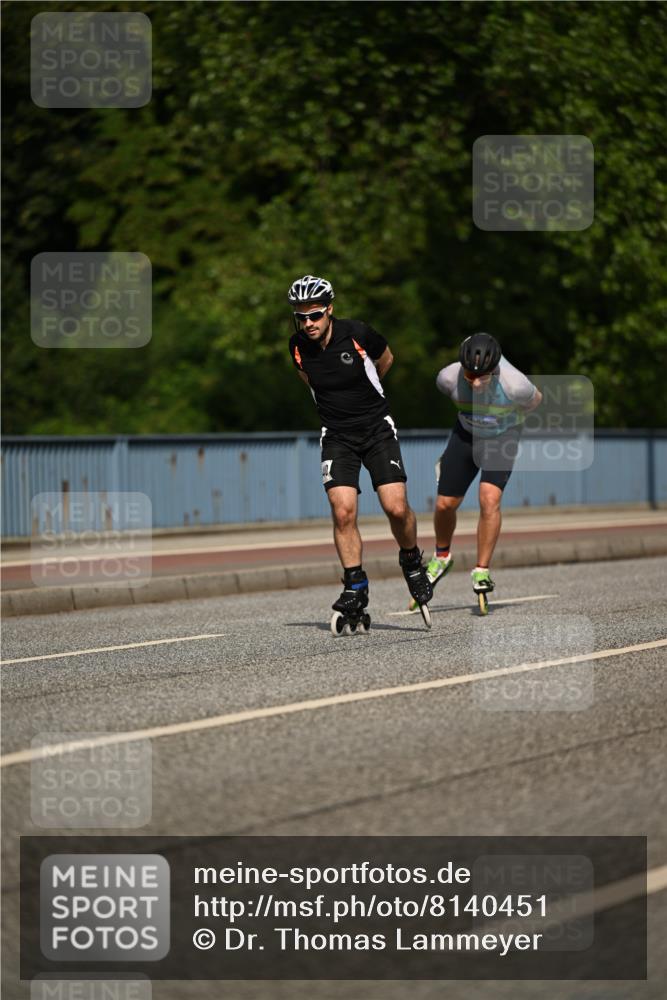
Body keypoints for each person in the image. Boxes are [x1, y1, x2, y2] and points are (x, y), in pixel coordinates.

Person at [287, 274, 433, 628]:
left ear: (330, 310)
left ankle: (412, 560)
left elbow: (386, 361)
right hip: (336, 435)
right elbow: (312, 383)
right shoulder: (297, 347)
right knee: (343, 511)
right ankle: (355, 584)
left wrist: (367, 401)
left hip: (376, 429)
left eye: (315, 315)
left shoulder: (358, 334)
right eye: (301, 317)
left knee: (395, 507)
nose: (308, 323)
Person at [427, 332, 542, 604]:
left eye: (483, 377)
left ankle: (481, 570)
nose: (476, 383)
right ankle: (441, 557)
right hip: (466, 434)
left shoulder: (516, 385)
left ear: (496, 370)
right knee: (445, 504)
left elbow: (535, 401)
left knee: (489, 499)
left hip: (502, 436)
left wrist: (508, 422)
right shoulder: (447, 378)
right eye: (469, 376)